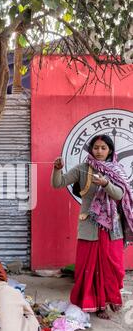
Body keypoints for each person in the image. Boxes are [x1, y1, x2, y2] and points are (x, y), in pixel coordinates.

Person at [52, 134, 133, 319]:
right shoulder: (82, 169)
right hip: (89, 226)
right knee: (88, 267)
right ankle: (98, 305)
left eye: (103, 148)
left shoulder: (116, 170)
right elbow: (58, 183)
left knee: (113, 266)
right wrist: (57, 169)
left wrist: (106, 184)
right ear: (91, 149)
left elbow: (120, 195)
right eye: (96, 147)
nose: (99, 151)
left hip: (112, 227)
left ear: (110, 150)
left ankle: (110, 299)